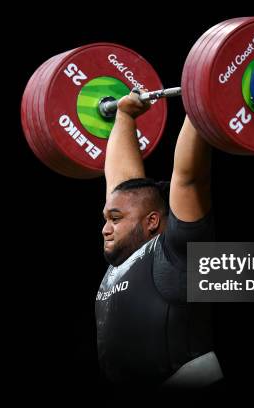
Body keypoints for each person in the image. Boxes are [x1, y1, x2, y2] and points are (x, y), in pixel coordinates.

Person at [95, 88, 223, 387]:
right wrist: (125, 116)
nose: (105, 228)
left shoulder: (176, 252)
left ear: (153, 222)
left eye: (114, 220)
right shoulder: (123, 259)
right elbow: (122, 190)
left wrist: (202, 96)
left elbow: (189, 177)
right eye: (106, 219)